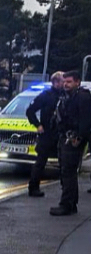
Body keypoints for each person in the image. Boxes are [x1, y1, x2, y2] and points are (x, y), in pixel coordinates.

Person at [50, 70, 91, 216]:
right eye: (64, 81)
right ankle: (71, 203)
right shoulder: (66, 96)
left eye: (69, 82)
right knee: (66, 171)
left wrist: (79, 138)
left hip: (73, 139)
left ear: (77, 82)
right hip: (64, 137)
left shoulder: (83, 97)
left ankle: (66, 204)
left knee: (68, 171)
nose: (65, 84)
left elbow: (86, 121)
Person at [26, 71, 64, 197]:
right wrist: (38, 125)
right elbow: (30, 111)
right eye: (62, 82)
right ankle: (33, 187)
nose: (64, 84)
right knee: (41, 162)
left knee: (65, 162)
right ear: (55, 82)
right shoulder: (46, 95)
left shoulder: (66, 95)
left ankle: (66, 190)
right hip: (47, 133)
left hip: (61, 133)